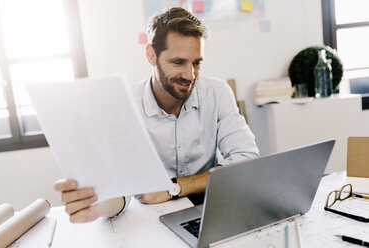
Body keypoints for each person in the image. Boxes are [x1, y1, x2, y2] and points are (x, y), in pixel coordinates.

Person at [54, 7, 259, 223]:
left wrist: (175, 187)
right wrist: (100, 206)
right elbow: (120, 189)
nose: (190, 75)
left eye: (197, 62)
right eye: (178, 62)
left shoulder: (217, 93)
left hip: (210, 210)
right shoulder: (126, 106)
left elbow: (247, 159)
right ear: (151, 55)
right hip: (151, 219)